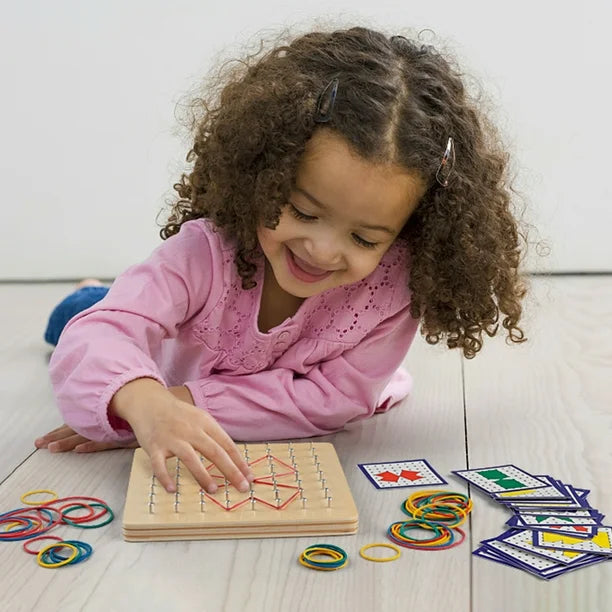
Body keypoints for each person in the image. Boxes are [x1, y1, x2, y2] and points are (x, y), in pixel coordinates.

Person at [35, 26, 528, 494]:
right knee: (80, 316)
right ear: (264, 174)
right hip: (168, 338)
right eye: (303, 212)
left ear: (409, 234)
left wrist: (174, 404)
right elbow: (101, 336)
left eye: (364, 238)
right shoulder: (203, 253)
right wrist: (137, 398)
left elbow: (332, 399)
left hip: (188, 374)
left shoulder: (394, 288)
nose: (322, 250)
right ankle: (91, 292)